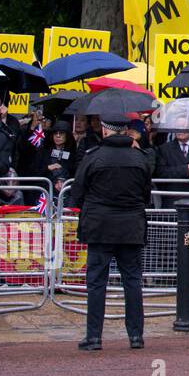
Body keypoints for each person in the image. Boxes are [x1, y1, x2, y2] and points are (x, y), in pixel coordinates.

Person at [68, 112, 154, 350]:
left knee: (96, 283)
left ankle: (94, 336)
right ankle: (136, 336)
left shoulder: (93, 157)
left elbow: (77, 193)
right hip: (130, 228)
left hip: (100, 227)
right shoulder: (140, 159)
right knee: (132, 281)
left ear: (105, 130)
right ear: (125, 131)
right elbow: (146, 196)